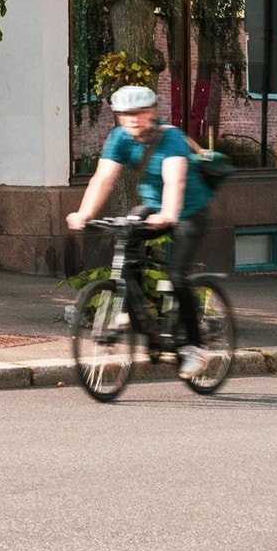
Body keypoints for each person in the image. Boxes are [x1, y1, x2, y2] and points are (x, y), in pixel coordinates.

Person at [66, 85, 213, 378]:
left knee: (177, 275)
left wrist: (169, 214)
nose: (132, 119)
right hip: (153, 206)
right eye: (125, 114)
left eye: (139, 113)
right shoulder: (119, 138)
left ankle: (195, 346)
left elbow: (175, 180)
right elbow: (104, 179)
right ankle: (137, 315)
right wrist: (85, 213)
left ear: (152, 113)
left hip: (189, 210)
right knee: (126, 241)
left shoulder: (170, 138)